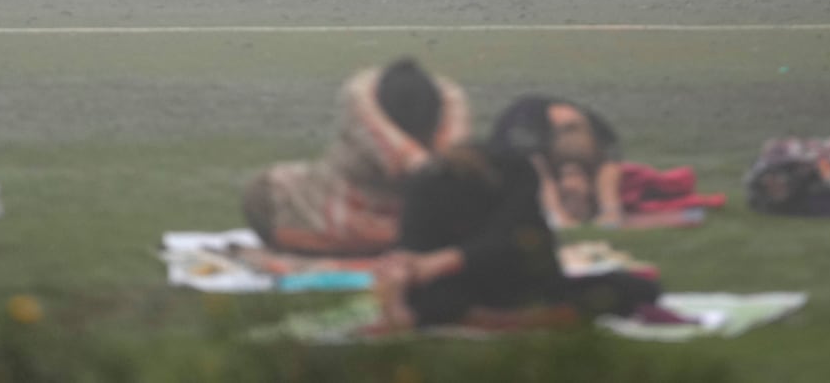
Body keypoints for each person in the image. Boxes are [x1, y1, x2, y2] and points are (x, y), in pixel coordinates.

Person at [374, 141, 662, 330]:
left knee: (636, 289)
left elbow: (508, 240)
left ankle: (495, 320)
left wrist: (444, 260)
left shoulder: (514, 177)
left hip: (522, 279)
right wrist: (397, 288)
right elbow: (411, 255)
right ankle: (516, 320)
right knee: (429, 301)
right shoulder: (426, 188)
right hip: (472, 291)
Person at [241, 59, 470, 256]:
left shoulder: (364, 103)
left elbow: (427, 170)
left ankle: (339, 246)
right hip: (404, 219)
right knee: (264, 192)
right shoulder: (448, 108)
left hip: (360, 217)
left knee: (264, 194)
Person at [489, 95, 625, 229]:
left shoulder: (601, 137)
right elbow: (535, 172)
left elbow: (609, 169)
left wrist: (610, 212)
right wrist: (556, 214)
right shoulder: (521, 128)